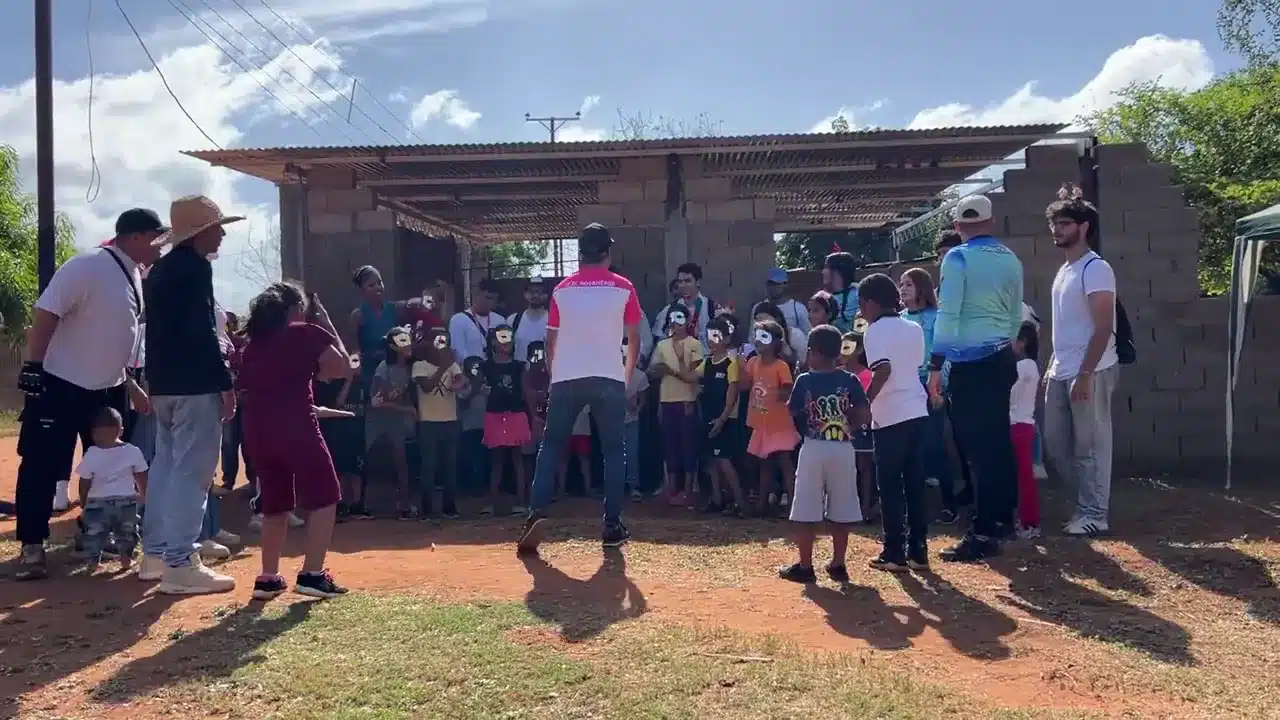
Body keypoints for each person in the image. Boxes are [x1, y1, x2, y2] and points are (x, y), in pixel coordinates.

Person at [12, 208, 162, 580]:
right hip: (61, 385)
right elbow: (45, 312)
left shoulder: (133, 274)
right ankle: (33, 546)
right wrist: (33, 365)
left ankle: (95, 533)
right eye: (157, 237)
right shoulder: (88, 265)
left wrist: (129, 383)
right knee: (42, 466)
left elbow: (110, 337)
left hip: (107, 391)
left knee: (111, 465)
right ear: (136, 237)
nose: (162, 246)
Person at [518, 223, 643, 552]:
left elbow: (551, 340)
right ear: (607, 253)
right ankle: (612, 524)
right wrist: (626, 377)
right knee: (614, 450)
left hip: (567, 377)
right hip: (608, 377)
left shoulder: (561, 290)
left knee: (552, 444)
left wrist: (555, 371)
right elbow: (634, 338)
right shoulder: (624, 287)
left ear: (580, 253)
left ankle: (536, 512)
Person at [237, 283, 353, 600]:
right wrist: (327, 323)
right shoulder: (304, 332)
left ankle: (269, 576)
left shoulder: (254, 344)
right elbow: (341, 367)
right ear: (293, 309)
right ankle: (312, 574)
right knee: (326, 494)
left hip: (258, 429)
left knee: (275, 503)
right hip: (297, 425)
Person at [929, 195, 1023, 563]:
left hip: (969, 364)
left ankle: (982, 532)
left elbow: (949, 313)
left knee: (974, 451)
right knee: (997, 445)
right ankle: (1001, 522)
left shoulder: (957, 258)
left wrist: (936, 365)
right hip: (1000, 357)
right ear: (990, 221)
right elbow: (1016, 316)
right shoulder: (1011, 259)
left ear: (957, 226)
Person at [1044, 184, 1120, 536]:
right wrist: (1051, 367)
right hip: (1061, 371)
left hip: (1092, 369)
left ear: (1083, 227)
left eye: (1065, 222)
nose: (1057, 229)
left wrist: (1086, 373)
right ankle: (1081, 506)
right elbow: (1065, 326)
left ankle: (1095, 514)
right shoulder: (1064, 270)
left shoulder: (1096, 268)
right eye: (1055, 223)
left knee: (1090, 445)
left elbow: (1103, 326)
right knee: (1056, 445)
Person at [778, 325, 869, 583]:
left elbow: (793, 411)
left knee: (806, 507)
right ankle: (838, 563)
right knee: (842, 506)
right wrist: (849, 427)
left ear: (814, 353)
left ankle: (805, 566)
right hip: (843, 447)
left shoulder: (805, 380)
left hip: (814, 446)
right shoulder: (849, 379)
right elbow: (862, 412)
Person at [860, 274, 931, 571]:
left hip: (889, 415)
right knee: (914, 483)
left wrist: (865, 403)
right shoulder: (913, 327)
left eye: (862, 305)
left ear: (873, 304)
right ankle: (918, 549)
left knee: (889, 485)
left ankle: (893, 551)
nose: (861, 311)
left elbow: (883, 370)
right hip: (917, 409)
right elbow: (915, 365)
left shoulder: (874, 331)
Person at [899, 269, 956, 511]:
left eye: (909, 284)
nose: (903, 288)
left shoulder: (936, 317)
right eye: (901, 284)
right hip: (904, 386)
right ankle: (913, 504)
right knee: (907, 445)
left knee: (934, 442)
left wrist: (938, 388)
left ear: (922, 288)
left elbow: (943, 352)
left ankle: (948, 502)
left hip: (930, 384)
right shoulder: (898, 318)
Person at [76, 407, 148, 572]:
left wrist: (83, 500)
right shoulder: (133, 451)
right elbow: (142, 476)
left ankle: (94, 562)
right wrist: (144, 494)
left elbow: (84, 481)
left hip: (97, 502)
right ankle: (125, 560)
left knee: (94, 534)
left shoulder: (91, 453)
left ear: (93, 433)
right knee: (127, 533)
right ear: (121, 430)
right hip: (126, 501)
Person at [741, 319, 799, 516]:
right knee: (763, 464)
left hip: (780, 423)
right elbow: (743, 385)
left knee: (785, 464)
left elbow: (787, 389)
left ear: (775, 342)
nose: (758, 342)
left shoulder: (781, 366)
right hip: (760, 423)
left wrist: (776, 394)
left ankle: (794, 505)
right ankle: (761, 505)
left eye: (763, 337)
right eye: (756, 337)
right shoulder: (752, 363)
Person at [650, 303, 704, 506]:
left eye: (680, 318)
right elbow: (652, 371)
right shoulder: (662, 345)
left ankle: (689, 489)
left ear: (688, 321)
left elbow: (693, 376)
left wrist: (673, 369)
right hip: (666, 400)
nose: (675, 323)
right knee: (669, 445)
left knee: (687, 445)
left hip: (686, 400)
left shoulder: (694, 344)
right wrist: (659, 369)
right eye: (672, 318)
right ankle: (671, 487)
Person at [411, 326, 467, 518]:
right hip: (428, 422)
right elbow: (426, 387)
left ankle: (448, 507)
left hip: (451, 420)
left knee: (450, 466)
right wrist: (444, 367)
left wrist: (459, 383)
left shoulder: (452, 365)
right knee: (429, 466)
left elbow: (461, 381)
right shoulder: (420, 365)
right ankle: (426, 508)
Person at [314, 353, 371, 522]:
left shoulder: (364, 383)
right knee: (340, 470)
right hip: (340, 433)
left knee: (357, 471)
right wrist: (348, 381)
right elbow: (338, 403)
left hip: (358, 431)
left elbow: (370, 404)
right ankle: (340, 504)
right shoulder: (336, 384)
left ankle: (357, 505)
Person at [481, 325, 530, 515]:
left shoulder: (519, 366)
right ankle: (493, 503)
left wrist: (532, 415)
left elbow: (525, 391)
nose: (506, 342)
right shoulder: (485, 366)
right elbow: (478, 387)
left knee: (517, 458)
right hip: (493, 414)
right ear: (493, 342)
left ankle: (521, 502)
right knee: (497, 459)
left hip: (516, 413)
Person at [368, 326, 417, 518]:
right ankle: (372, 506)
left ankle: (404, 502)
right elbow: (379, 402)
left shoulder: (408, 368)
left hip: (399, 422)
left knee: (402, 462)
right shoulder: (383, 369)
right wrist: (408, 409)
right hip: (380, 423)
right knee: (383, 463)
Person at [699, 317, 745, 515]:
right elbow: (690, 376)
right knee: (711, 460)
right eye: (709, 335)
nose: (711, 340)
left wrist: (722, 419)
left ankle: (740, 503)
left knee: (724, 460)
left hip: (725, 420)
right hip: (708, 416)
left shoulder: (731, 363)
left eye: (716, 336)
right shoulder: (707, 361)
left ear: (727, 339)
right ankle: (717, 499)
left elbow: (732, 394)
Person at [348, 266, 418, 391]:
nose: (377, 287)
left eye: (379, 283)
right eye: (371, 285)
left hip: (394, 372)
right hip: (370, 373)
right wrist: (355, 368)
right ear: (361, 290)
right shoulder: (358, 315)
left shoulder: (394, 309)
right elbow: (354, 349)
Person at [841, 332, 878, 521]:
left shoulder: (867, 375)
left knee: (864, 467)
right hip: (841, 428)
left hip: (860, 428)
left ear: (860, 349)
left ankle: (865, 509)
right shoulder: (838, 374)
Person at [1011, 322, 1042, 539]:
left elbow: (1008, 393)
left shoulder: (1024, 367)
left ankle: (1029, 522)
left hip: (1018, 426)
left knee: (1023, 477)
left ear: (1022, 343)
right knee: (1019, 476)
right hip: (1019, 425)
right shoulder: (1028, 366)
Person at [218, 311, 253, 493]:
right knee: (229, 442)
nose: (228, 327)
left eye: (231, 323)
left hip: (246, 400)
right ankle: (228, 479)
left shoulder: (243, 344)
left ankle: (252, 481)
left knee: (248, 442)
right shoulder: (218, 344)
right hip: (227, 399)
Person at [651, 263, 716, 349]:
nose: (683, 285)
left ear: (698, 282)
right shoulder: (668, 310)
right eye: (680, 281)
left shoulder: (711, 308)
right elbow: (659, 341)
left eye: (687, 281)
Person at [621, 339, 650, 502]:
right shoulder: (613, 371)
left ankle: (633, 486)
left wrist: (636, 409)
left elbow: (643, 399)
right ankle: (614, 486)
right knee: (613, 453)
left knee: (632, 453)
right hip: (613, 420)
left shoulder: (640, 376)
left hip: (632, 420)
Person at [448, 279, 503, 364]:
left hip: (494, 371)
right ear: (477, 295)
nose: (488, 302)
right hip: (469, 371)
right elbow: (457, 351)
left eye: (493, 299)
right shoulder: (458, 319)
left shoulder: (500, 320)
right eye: (486, 297)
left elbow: (504, 349)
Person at [523, 341, 551, 489]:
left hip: (547, 421)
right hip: (527, 423)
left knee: (546, 458)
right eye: (535, 354)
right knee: (528, 458)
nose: (539, 358)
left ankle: (546, 489)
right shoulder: (526, 375)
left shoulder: (550, 375)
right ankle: (528, 489)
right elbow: (528, 395)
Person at [508, 277, 550, 362]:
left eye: (540, 292)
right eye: (531, 292)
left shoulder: (554, 320)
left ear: (546, 295)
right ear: (525, 294)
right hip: (519, 372)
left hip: (546, 372)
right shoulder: (513, 320)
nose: (535, 295)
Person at [766, 268, 812, 336]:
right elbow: (752, 337)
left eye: (777, 284)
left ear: (785, 285)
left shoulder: (798, 308)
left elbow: (808, 335)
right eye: (771, 283)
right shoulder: (759, 308)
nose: (773, 287)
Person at [822, 251, 860, 332]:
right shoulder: (823, 298)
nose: (822, 272)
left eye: (826, 267)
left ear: (837, 271)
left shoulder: (858, 294)